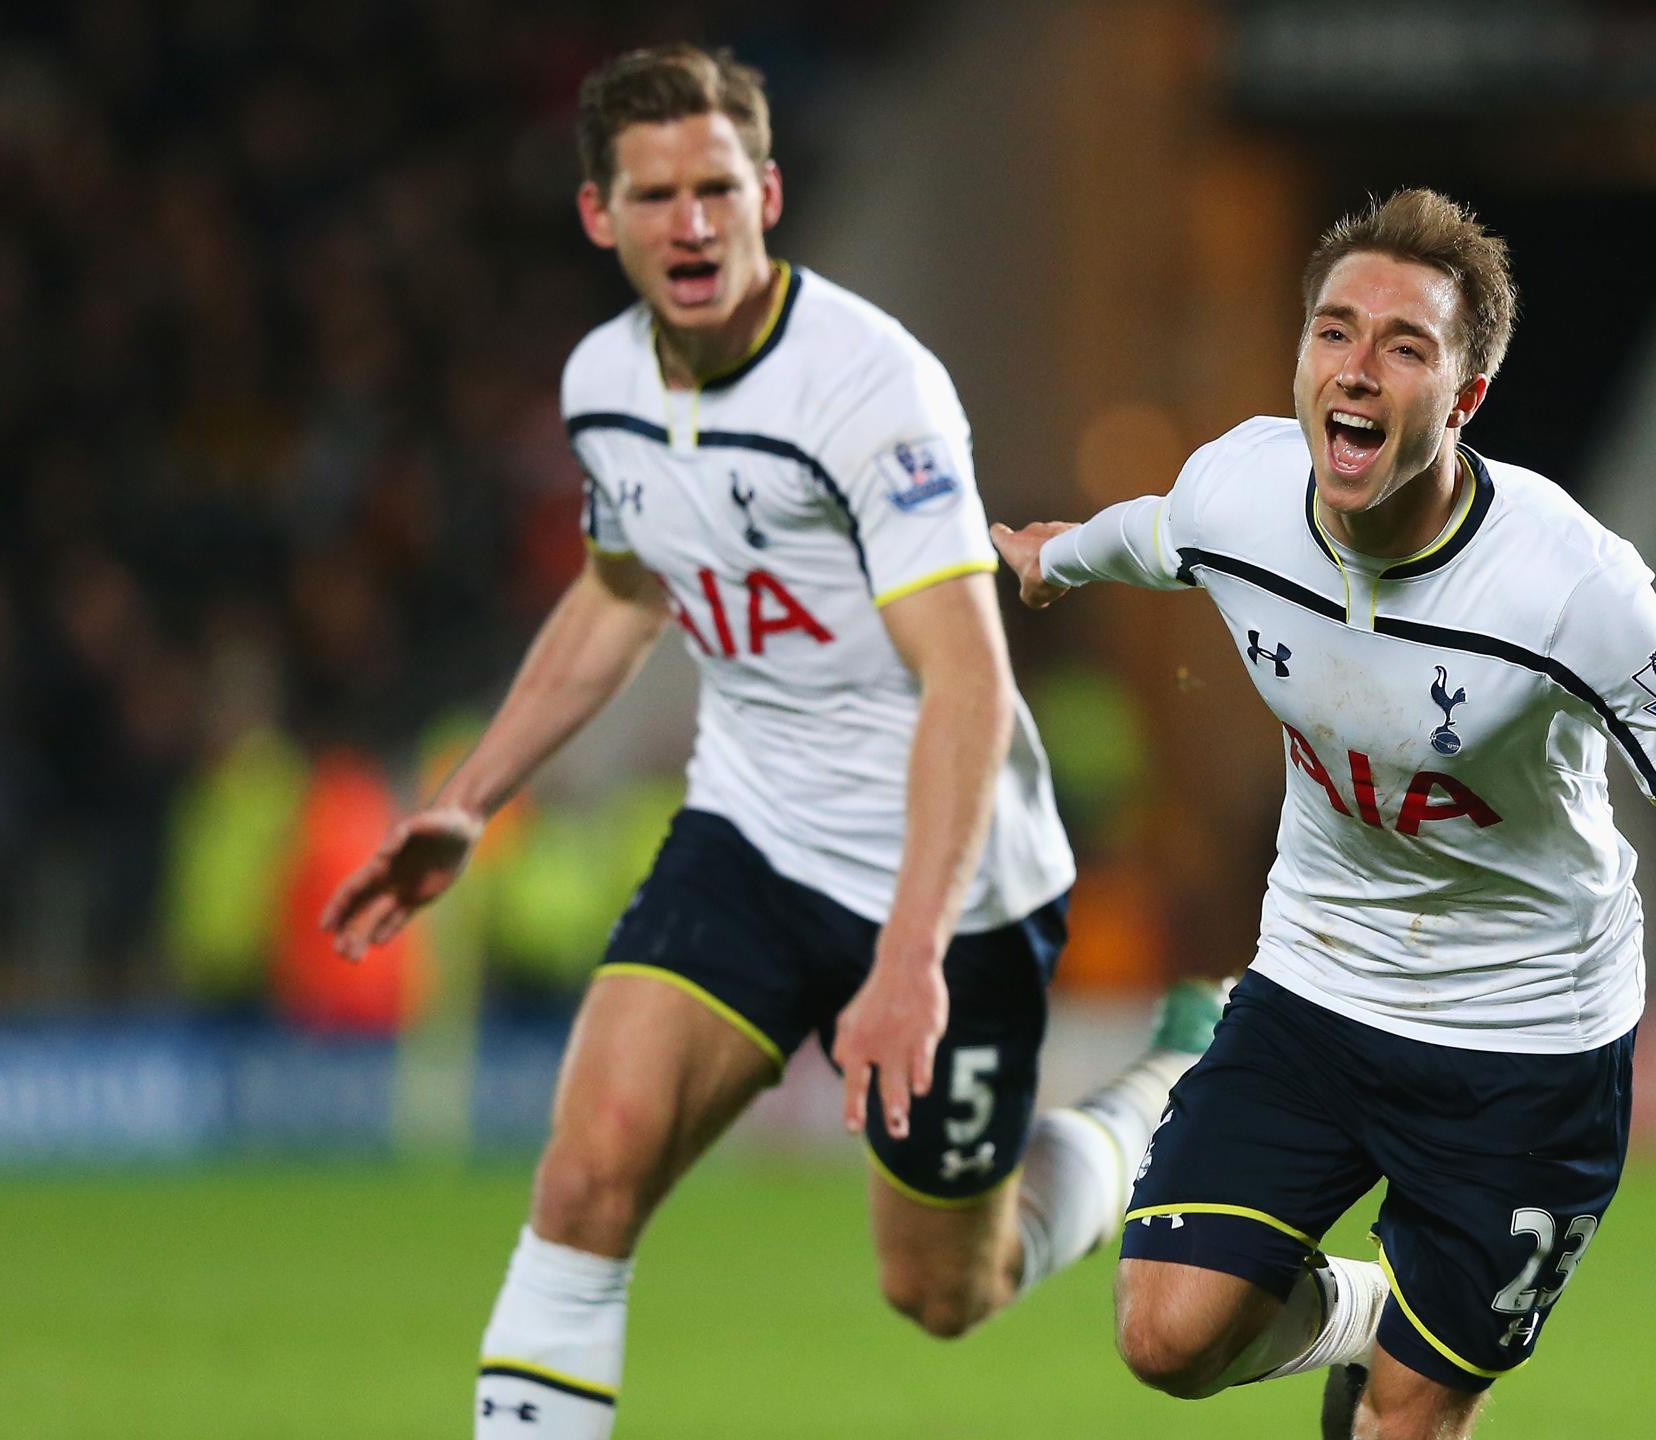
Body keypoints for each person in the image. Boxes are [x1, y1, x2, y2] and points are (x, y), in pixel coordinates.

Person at [317, 45, 1216, 1439]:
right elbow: (621, 595)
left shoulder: (872, 394)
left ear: (770, 195)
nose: (691, 223)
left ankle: (1145, 1109)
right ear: (597, 218)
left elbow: (968, 682)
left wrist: (909, 957)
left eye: (718, 190)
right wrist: (468, 800)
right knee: (585, 1175)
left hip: (950, 885)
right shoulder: (604, 384)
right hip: (752, 838)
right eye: (657, 194)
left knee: (944, 1291)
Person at [990, 188, 1656, 1440]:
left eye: (1405, 347)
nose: (1356, 370)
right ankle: (1378, 1316)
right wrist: (1056, 558)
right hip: (1321, 984)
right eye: (1333, 332)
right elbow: (1156, 536)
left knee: (1403, 1423)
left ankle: (1408, 1360)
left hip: (1527, 1044)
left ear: (1465, 399)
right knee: (1165, 1336)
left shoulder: (1569, 589)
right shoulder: (1239, 493)